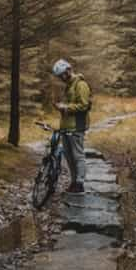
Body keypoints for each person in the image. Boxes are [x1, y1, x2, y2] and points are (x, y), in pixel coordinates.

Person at [51, 59, 92, 193]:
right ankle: (73, 182)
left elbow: (84, 105)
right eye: (59, 76)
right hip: (66, 126)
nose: (61, 77)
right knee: (68, 156)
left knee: (77, 155)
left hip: (77, 126)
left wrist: (65, 107)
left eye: (63, 74)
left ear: (69, 69)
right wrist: (61, 107)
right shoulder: (69, 85)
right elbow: (71, 104)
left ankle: (80, 183)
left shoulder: (81, 84)